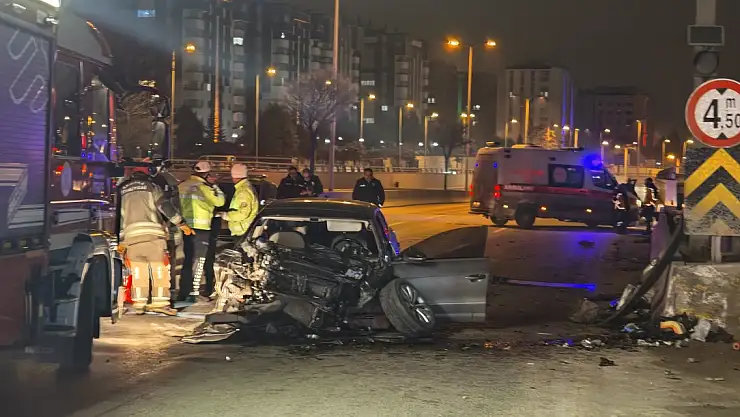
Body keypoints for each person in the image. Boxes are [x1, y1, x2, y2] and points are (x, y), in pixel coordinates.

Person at [119, 164, 192, 315]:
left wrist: (121, 242)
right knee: (159, 270)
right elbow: (164, 206)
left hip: (131, 238)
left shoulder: (122, 190)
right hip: (152, 236)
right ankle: (160, 303)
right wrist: (181, 223)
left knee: (139, 271)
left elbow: (119, 217)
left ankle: (140, 304)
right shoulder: (152, 187)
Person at [178, 161, 225, 302]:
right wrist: (215, 186)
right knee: (199, 261)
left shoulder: (182, 185)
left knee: (187, 260)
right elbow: (220, 202)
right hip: (202, 229)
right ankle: (195, 292)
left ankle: (183, 291)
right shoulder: (204, 188)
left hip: (185, 228)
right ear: (206, 174)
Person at [150, 157, 183, 306]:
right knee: (167, 262)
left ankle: (161, 293)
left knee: (162, 263)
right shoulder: (169, 180)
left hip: (161, 230)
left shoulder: (158, 182)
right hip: (165, 229)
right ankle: (166, 293)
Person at [221, 163, 259, 237]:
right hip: (244, 230)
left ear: (234, 176)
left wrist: (226, 215)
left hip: (242, 230)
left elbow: (243, 213)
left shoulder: (243, 191)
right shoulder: (245, 188)